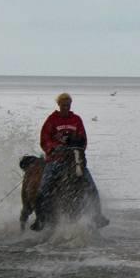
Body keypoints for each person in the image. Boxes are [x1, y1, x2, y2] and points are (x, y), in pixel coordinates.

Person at [30, 93, 109, 231]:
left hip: (74, 159)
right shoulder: (51, 120)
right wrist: (54, 148)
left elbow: (83, 139)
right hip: (55, 160)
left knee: (91, 186)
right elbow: (44, 140)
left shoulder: (76, 119)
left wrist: (77, 146)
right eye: (64, 105)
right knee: (44, 187)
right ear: (59, 105)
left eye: (68, 105)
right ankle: (40, 218)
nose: (66, 107)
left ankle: (98, 215)